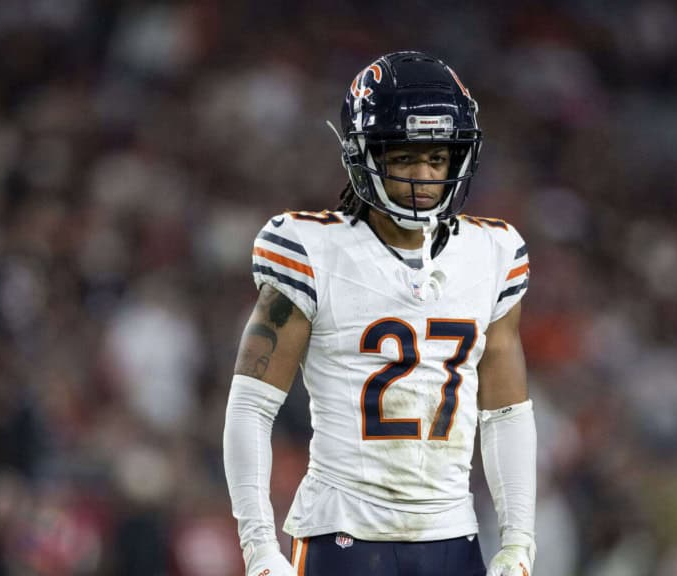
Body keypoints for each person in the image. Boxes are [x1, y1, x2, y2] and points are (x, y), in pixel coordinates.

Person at [223, 50, 537, 576]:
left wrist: (519, 540)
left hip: (452, 534)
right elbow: (251, 408)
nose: (422, 176)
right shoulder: (310, 248)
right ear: (364, 156)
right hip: (341, 533)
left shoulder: (493, 253)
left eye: (436, 159)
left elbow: (506, 413)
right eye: (403, 158)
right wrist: (258, 547)